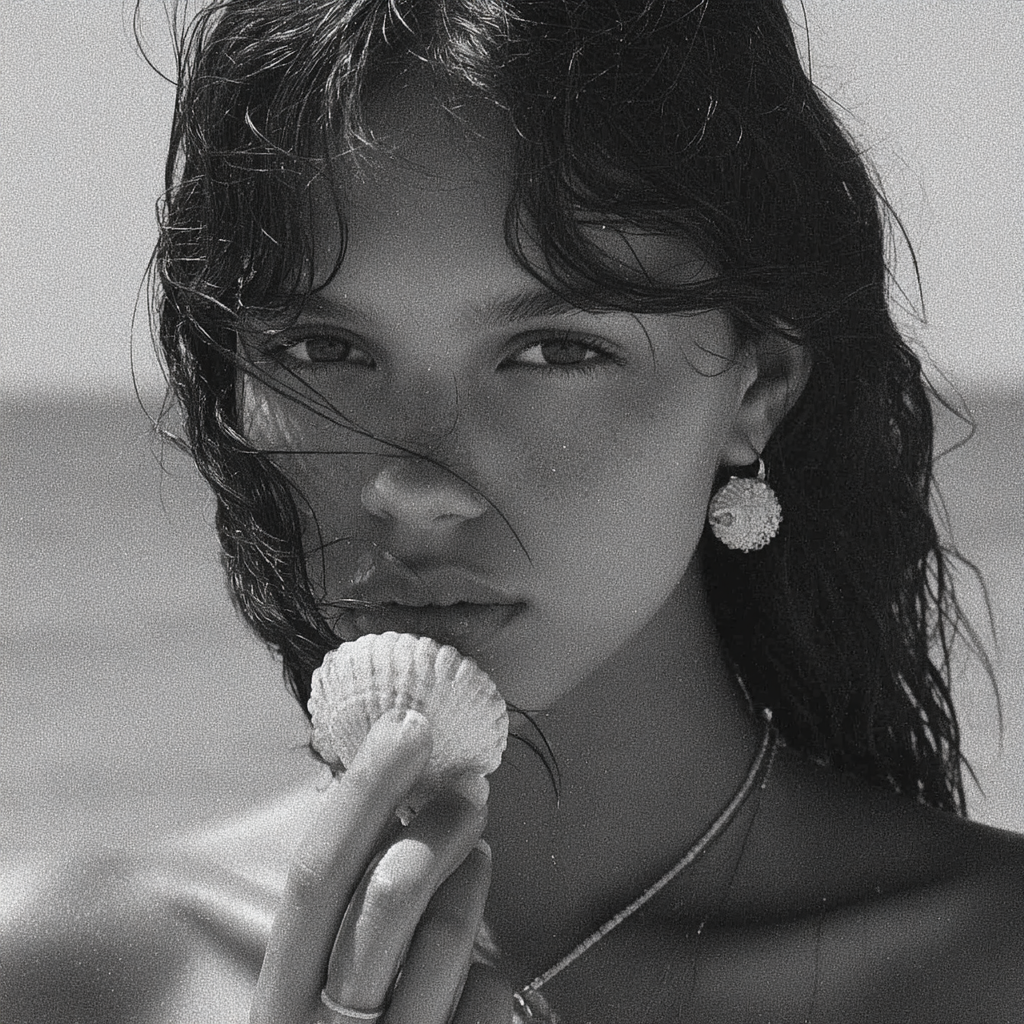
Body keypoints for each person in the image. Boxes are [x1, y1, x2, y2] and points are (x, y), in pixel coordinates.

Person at [2, 0, 1023, 1020]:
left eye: (554, 351)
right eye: (322, 349)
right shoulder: (72, 978)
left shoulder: (988, 968)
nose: (410, 486)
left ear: (756, 389)